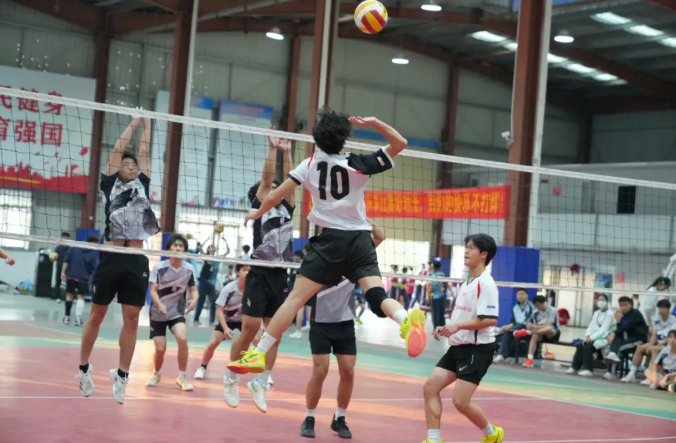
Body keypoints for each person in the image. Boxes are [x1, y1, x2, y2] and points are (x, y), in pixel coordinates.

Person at [228, 111, 427, 408]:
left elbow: (274, 195)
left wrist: (257, 213)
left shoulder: (309, 164)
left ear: (317, 139)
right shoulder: (358, 163)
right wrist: (374, 123)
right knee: (376, 294)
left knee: (294, 299)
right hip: (360, 240)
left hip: (330, 241)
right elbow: (400, 143)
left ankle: (260, 351)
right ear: (343, 138)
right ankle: (405, 320)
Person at [77, 116, 159, 404]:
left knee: (132, 319)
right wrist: (135, 123)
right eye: (126, 164)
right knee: (97, 315)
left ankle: (122, 375)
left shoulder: (142, 185)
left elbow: (145, 151)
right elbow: (116, 150)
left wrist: (149, 123)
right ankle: (83, 369)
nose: (131, 167)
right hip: (112, 256)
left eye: (133, 165)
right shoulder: (109, 184)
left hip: (136, 259)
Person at [222, 130, 295, 413]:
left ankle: (260, 383)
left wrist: (288, 152)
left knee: (274, 334)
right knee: (250, 329)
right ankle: (231, 379)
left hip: (281, 275)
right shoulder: (260, 206)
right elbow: (266, 181)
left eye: (279, 187)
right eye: (270, 188)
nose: (275, 188)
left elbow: (291, 180)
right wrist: (273, 149)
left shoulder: (287, 207)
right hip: (259, 273)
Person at [300, 220, 385, 439]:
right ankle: (309, 417)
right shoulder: (319, 261)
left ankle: (339, 418)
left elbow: (380, 236)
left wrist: (361, 218)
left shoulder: (356, 260)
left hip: (345, 323)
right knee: (320, 370)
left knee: (348, 371)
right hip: (320, 322)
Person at [423, 234, 503, 443]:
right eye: (466, 247)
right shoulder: (466, 282)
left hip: (477, 349)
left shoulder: (486, 284)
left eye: (471, 248)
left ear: (484, 254)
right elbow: (461, 317)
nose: (466, 252)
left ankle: (493, 434)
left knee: (460, 401)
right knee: (430, 388)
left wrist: (457, 326)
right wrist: (446, 328)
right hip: (457, 347)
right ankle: (434, 440)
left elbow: (490, 319)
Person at [146, 234, 198, 391]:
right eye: (175, 245)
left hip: (176, 312)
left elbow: (194, 290)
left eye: (181, 246)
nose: (178, 248)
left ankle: (182, 376)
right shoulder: (159, 267)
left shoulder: (189, 269)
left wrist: (194, 299)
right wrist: (160, 304)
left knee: (182, 338)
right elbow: (153, 291)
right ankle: (155, 373)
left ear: (185, 250)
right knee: (160, 349)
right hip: (158, 313)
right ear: (169, 249)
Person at [621, 299, 675, 383]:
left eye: (663, 308)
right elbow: (654, 334)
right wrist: (650, 345)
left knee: (654, 350)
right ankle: (631, 375)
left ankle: (651, 377)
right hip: (657, 343)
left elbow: (671, 337)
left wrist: (654, 346)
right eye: (660, 308)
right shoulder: (656, 319)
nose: (661, 310)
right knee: (640, 348)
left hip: (668, 345)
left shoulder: (673, 320)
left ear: (668, 309)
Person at [567, 293, 615, 376]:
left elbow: (603, 330)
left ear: (607, 302)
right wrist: (588, 336)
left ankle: (588, 369)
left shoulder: (609, 314)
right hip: (594, 338)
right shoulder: (596, 313)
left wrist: (591, 338)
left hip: (604, 338)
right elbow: (590, 326)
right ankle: (575, 367)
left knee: (588, 345)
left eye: (602, 300)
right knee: (581, 345)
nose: (600, 301)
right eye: (599, 300)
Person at [603, 296, 649, 380]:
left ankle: (612, 373)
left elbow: (627, 326)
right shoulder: (622, 315)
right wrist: (618, 321)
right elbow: (620, 330)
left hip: (638, 340)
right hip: (628, 339)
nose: (623, 307)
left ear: (630, 305)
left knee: (617, 348)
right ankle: (610, 370)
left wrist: (614, 333)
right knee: (614, 343)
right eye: (621, 305)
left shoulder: (635, 313)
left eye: (625, 305)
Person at [61, 234, 99, 326]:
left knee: (69, 296)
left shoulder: (74, 247)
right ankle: (77, 319)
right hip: (83, 279)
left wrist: (63, 272)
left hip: (71, 276)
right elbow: (94, 269)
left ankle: (67, 318)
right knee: (80, 298)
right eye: (95, 243)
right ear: (92, 242)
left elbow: (66, 260)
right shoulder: (93, 254)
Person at [515, 295, 560, 368]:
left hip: (552, 334)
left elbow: (548, 325)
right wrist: (530, 325)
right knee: (535, 336)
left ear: (543, 303)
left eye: (538, 306)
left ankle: (527, 332)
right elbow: (529, 323)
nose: (537, 308)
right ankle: (529, 360)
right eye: (536, 306)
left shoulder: (552, 310)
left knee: (549, 328)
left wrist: (535, 327)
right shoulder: (535, 312)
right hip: (540, 333)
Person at [493, 288, 534, 364]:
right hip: (516, 327)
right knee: (507, 332)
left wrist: (511, 327)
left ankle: (502, 354)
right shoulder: (515, 308)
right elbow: (513, 321)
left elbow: (528, 321)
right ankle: (501, 355)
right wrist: (507, 326)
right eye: (518, 294)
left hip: (526, 327)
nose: (520, 296)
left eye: (522, 294)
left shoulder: (531, 306)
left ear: (527, 295)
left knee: (510, 330)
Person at [194, 244, 220, 327]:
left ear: (215, 250)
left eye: (213, 247)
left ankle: (212, 321)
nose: (212, 248)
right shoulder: (205, 257)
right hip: (203, 282)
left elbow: (227, 252)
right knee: (201, 301)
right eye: (210, 247)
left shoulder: (217, 259)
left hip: (211, 283)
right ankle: (196, 319)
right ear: (208, 249)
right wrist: (207, 239)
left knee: (213, 302)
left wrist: (225, 242)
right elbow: (200, 248)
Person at [290, 250, 311, 339]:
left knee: (300, 309)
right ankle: (308, 324)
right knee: (309, 307)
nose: (294, 257)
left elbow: (296, 277)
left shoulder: (300, 265)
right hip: (309, 288)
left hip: (301, 289)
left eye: (295, 255)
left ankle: (298, 331)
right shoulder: (310, 262)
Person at [427, 262, 447, 329]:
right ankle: (442, 328)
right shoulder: (442, 274)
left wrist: (428, 295)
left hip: (434, 297)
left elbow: (428, 285)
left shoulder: (430, 274)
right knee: (441, 313)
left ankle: (436, 328)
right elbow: (446, 284)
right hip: (442, 296)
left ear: (432, 266)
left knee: (435, 313)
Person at [53, 232, 70, 301]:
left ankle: (68, 297)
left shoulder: (70, 249)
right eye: (64, 238)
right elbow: (54, 257)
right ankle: (58, 297)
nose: (65, 239)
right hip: (59, 267)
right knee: (58, 282)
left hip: (68, 269)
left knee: (69, 283)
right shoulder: (58, 248)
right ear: (61, 238)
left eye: (66, 238)